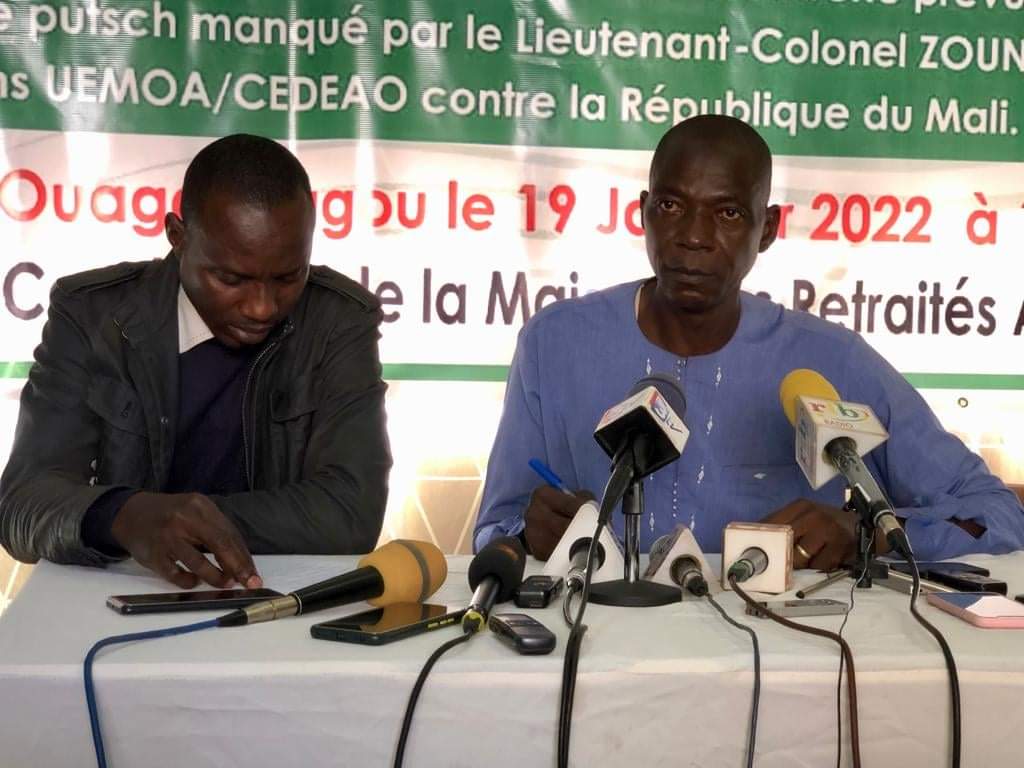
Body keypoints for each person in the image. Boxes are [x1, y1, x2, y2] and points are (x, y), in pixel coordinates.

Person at [474, 115, 1024, 569]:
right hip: (596, 645)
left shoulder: (830, 360)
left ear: (768, 229)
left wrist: (865, 534)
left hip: (783, 652)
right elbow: (495, 527)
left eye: (728, 213)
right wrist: (525, 532)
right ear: (643, 211)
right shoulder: (554, 344)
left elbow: (996, 514)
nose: (693, 236)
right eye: (671, 206)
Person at [0, 134, 391, 589]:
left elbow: (351, 512)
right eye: (231, 278)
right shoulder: (91, 317)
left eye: (289, 277)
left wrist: (180, 521)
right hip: (118, 598)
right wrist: (123, 515)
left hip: (278, 601)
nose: (262, 307)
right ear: (178, 237)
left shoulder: (339, 321)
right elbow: (21, 505)